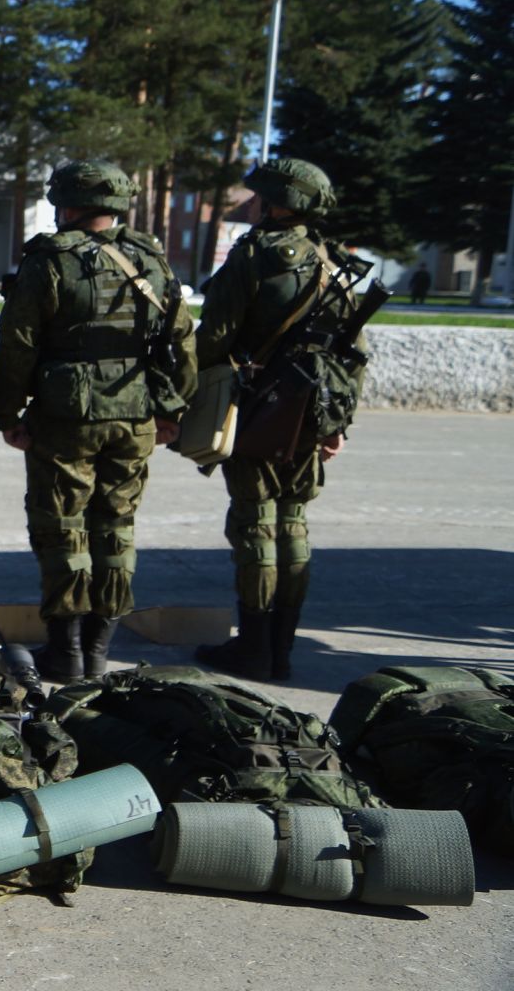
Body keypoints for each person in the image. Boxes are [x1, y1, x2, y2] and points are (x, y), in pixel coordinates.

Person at [0, 160, 195, 681]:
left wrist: (8, 414)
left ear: (69, 203)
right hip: (135, 413)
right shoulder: (150, 257)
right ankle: (100, 652)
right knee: (116, 529)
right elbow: (183, 340)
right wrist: (173, 408)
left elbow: (17, 345)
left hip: (66, 417)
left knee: (63, 530)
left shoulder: (49, 259)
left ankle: (68, 654)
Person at [195, 158, 368, 682]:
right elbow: (353, 353)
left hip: (262, 407)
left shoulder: (256, 255)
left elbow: (213, 338)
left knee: (255, 526)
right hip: (314, 410)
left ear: (277, 203)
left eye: (258, 197)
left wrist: (190, 407)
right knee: (293, 526)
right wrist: (337, 423)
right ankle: (282, 649)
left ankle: (254, 649)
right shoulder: (334, 261)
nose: (251, 204)